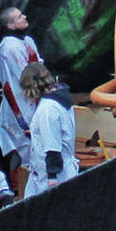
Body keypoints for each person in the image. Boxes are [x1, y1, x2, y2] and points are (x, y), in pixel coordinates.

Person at [0, 7, 43, 194]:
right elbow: (26, 77)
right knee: (23, 152)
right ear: (10, 25)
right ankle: (22, 193)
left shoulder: (27, 41)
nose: (25, 16)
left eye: (23, 13)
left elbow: (38, 67)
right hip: (18, 110)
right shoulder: (9, 47)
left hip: (35, 103)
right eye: (20, 16)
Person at [20, 62, 79, 197]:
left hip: (53, 176)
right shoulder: (60, 99)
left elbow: (52, 147)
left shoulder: (47, 109)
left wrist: (52, 179)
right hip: (58, 171)